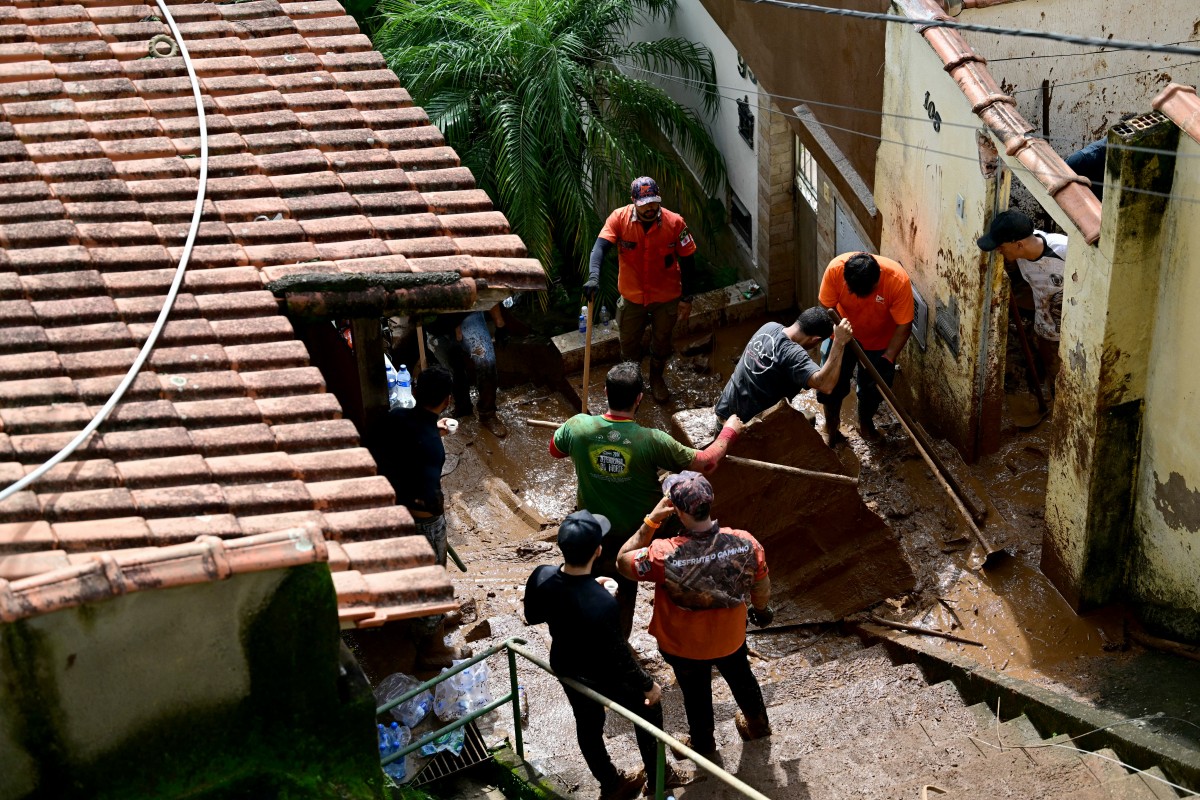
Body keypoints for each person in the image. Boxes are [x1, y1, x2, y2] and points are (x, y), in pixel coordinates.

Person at [550, 362, 743, 638]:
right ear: (640, 398)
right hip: (639, 535)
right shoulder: (651, 440)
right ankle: (620, 644)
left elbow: (554, 451)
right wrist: (730, 430)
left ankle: (586, 636)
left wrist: (581, 435)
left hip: (593, 532)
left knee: (588, 583)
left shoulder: (577, 426)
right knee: (623, 590)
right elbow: (707, 463)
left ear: (605, 392)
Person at [616, 471, 773, 757]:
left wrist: (651, 521)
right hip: (731, 637)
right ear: (710, 502)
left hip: (683, 646)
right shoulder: (745, 542)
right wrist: (761, 610)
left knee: (696, 695)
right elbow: (761, 584)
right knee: (742, 678)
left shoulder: (663, 554)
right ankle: (758, 725)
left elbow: (623, 562)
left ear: (675, 510)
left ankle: (704, 745)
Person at [525, 510, 676, 800]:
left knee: (588, 723)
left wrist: (588, 589)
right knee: (649, 707)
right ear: (598, 550)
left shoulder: (542, 576)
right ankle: (658, 779)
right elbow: (620, 655)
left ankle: (611, 782)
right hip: (604, 673)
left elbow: (533, 615)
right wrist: (649, 684)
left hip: (567, 664)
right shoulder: (603, 604)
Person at [375, 366, 465, 667]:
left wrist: (434, 429)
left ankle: (432, 619)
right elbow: (427, 473)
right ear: (447, 400)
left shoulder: (397, 418)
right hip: (424, 519)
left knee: (417, 575)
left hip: (397, 511)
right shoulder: (431, 445)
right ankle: (433, 649)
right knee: (432, 581)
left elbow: (414, 433)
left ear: (415, 392)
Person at [584, 176, 698, 403]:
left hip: (666, 296)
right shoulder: (619, 219)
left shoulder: (675, 223)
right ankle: (632, 384)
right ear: (633, 201)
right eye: (644, 204)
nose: (650, 208)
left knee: (662, 340)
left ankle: (657, 378)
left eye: (654, 202)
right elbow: (599, 248)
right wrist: (594, 276)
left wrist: (687, 298)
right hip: (632, 296)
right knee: (628, 343)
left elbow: (689, 261)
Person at [818, 252, 914, 443]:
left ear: (875, 282)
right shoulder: (836, 269)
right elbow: (825, 305)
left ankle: (866, 424)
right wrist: (840, 332)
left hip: (879, 341)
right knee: (830, 382)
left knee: (874, 389)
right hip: (842, 335)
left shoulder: (897, 281)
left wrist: (889, 356)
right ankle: (831, 425)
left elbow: (904, 325)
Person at [714, 307, 855, 424]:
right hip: (742, 428)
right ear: (815, 339)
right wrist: (838, 343)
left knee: (804, 418)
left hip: (725, 409)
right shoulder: (793, 354)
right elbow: (826, 385)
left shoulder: (769, 327)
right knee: (805, 426)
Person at [977, 209, 1067, 389]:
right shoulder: (1019, 256)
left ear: (1018, 244)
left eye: (1001, 245)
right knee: (1051, 379)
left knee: (1065, 387)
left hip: (1069, 339)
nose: (998, 250)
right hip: (1044, 331)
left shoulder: (1065, 251)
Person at [422, 305, 509, 438]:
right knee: (452, 370)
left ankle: (487, 413)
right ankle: (463, 408)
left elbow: (487, 291)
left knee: (486, 362)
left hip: (467, 313)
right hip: (436, 324)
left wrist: (499, 323)